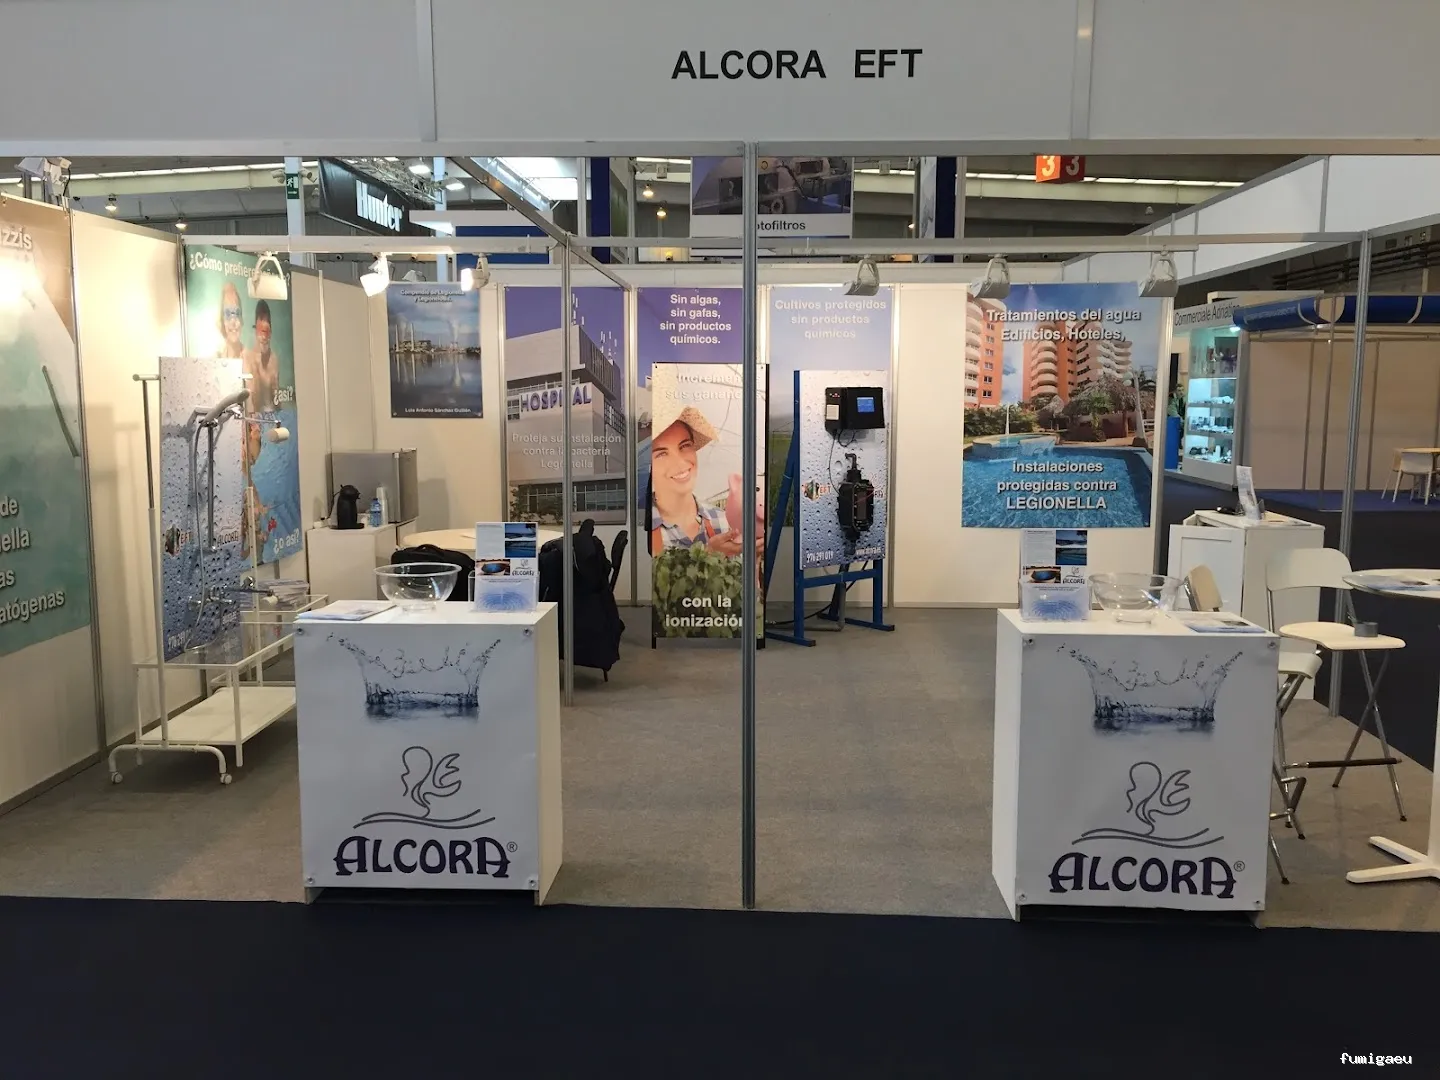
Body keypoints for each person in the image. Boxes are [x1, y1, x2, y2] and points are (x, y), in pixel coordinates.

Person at [243, 299, 279, 413]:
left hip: (271, 417)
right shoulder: (247, 358)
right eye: (261, 332)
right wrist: (257, 370)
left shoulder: (273, 360)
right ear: (255, 331)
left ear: (270, 333)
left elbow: (277, 401)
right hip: (255, 418)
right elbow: (250, 404)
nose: (264, 338)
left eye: (266, 333)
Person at [217, 282, 245, 359]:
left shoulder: (250, 360)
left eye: (237, 313)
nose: (233, 321)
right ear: (222, 321)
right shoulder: (216, 359)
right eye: (228, 313)